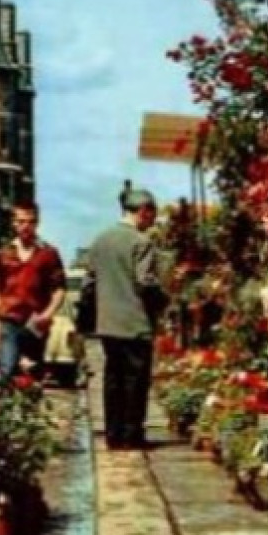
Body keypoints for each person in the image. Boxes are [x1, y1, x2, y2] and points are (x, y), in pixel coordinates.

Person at [86, 186, 167, 450]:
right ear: (143, 212)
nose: (153, 220)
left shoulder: (100, 240)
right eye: (152, 214)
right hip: (135, 323)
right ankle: (131, 435)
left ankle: (113, 434)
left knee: (113, 379)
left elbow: (90, 282)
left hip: (107, 324)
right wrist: (163, 303)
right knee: (135, 381)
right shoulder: (140, 243)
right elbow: (145, 282)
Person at [0, 203, 67, 385]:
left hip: (35, 323)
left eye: (30, 222)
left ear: (37, 223)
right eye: (20, 222)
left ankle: (29, 411)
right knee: (8, 368)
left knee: (32, 373)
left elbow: (59, 290)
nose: (25, 227)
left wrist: (47, 315)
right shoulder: (4, 254)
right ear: (13, 223)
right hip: (9, 320)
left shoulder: (48, 254)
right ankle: (5, 410)